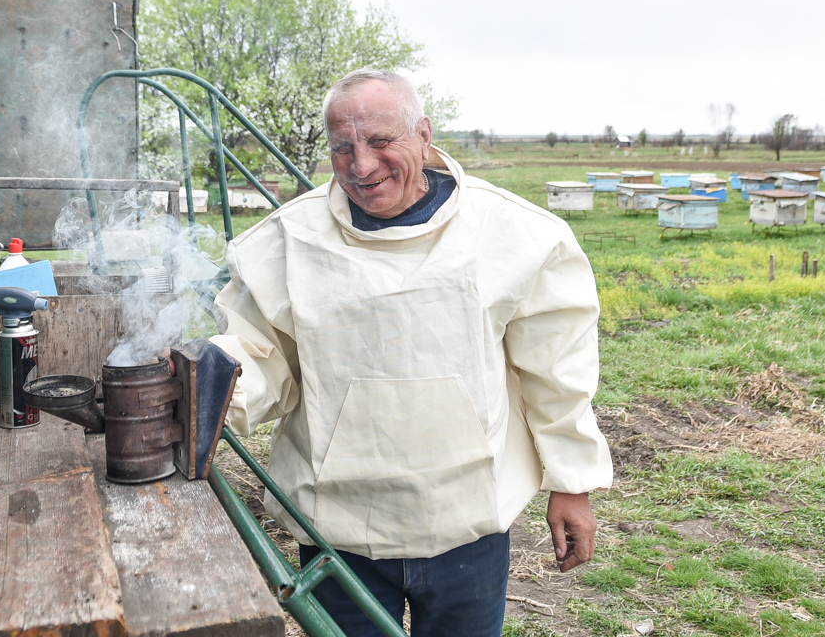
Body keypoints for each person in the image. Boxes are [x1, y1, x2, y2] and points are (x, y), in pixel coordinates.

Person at [208, 68, 612, 637]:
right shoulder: (287, 242)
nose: (362, 165)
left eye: (379, 141)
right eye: (342, 148)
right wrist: (213, 382)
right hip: (338, 528)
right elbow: (261, 357)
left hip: (467, 527)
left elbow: (556, 368)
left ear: (423, 134)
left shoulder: (513, 234)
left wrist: (572, 482)